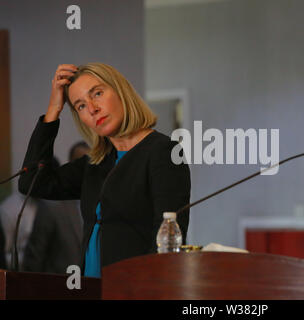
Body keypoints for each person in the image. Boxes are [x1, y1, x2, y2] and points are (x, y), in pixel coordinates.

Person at [19, 63, 190, 278]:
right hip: (90, 290)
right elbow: (31, 182)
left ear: (120, 91)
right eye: (80, 106)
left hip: (132, 290)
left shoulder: (163, 152)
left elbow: (167, 243)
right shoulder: (95, 163)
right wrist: (54, 109)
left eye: (97, 93)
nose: (92, 109)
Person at [22, 143, 89, 274]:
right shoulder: (52, 207)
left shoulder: (103, 203)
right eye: (81, 163)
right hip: (58, 287)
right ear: (72, 164)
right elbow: (35, 257)